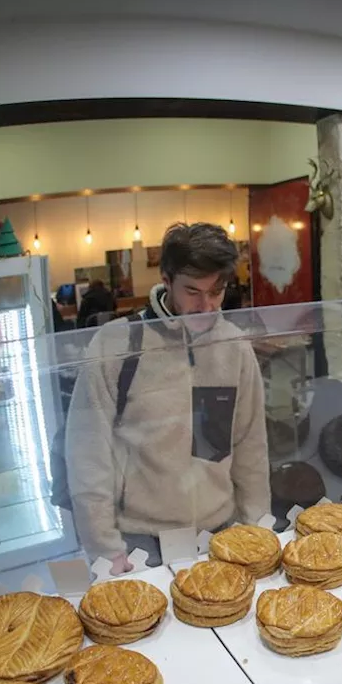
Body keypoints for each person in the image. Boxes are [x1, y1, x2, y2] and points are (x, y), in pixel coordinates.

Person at [64, 222, 271, 570]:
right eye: (192, 291)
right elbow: (88, 454)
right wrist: (105, 548)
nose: (206, 306)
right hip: (140, 542)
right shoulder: (117, 345)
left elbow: (251, 445)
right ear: (166, 279)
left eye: (217, 291)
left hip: (220, 531)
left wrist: (258, 527)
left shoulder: (234, 347)